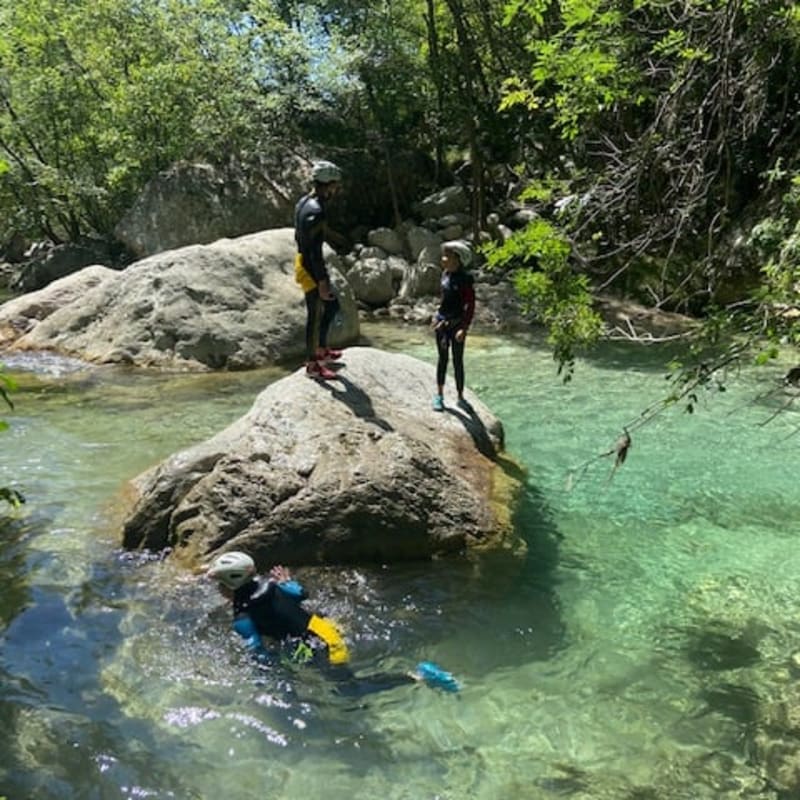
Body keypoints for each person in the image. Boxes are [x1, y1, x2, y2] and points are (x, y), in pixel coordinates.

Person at [206, 551, 461, 695]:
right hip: (326, 628)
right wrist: (286, 581)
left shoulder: (242, 617)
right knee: (342, 669)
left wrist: (269, 679)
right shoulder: (273, 584)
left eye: (218, 584)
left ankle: (418, 677)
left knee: (348, 691)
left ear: (228, 585)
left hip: (317, 648)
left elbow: (258, 653)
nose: (217, 589)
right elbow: (300, 594)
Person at [294, 160, 345, 381]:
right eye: (335, 185)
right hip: (309, 266)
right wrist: (322, 280)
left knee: (332, 306)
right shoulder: (316, 211)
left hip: (306, 262)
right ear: (328, 184)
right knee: (315, 315)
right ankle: (313, 364)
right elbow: (313, 250)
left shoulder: (304, 202)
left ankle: (322, 348)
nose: (336, 190)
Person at [432, 240, 475, 412]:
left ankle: (460, 397)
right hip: (442, 324)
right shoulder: (445, 275)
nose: (443, 259)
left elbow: (470, 306)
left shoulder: (465, 280)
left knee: (458, 361)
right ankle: (439, 396)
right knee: (442, 359)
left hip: (457, 326)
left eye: (447, 256)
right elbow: (443, 299)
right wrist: (436, 316)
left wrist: (464, 328)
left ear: (458, 259)